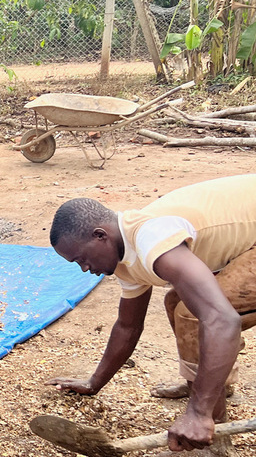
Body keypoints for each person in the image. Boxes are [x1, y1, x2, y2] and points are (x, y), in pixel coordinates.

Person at [46, 174, 256, 453]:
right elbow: (128, 326)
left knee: (192, 316)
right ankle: (214, 385)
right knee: (177, 303)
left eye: (81, 258)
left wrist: (198, 413)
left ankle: (209, 425)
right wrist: (93, 382)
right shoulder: (124, 254)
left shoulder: (151, 238)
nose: (84, 268)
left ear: (100, 236)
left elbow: (223, 320)